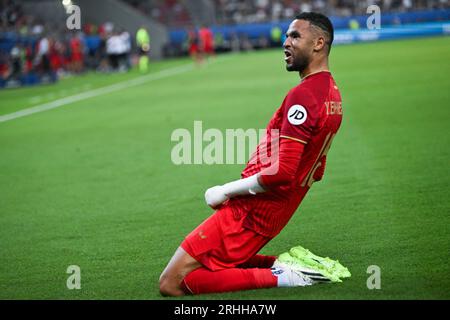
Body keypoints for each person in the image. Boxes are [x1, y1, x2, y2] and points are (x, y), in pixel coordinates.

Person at [159, 12, 345, 296]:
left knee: (172, 282)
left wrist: (226, 190)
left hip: (252, 211)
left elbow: (282, 173)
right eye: (286, 35)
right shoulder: (332, 94)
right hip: (275, 210)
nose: (286, 42)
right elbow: (317, 169)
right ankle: (286, 264)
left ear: (319, 43)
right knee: (213, 263)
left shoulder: (304, 95)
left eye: (295, 36)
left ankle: (286, 276)